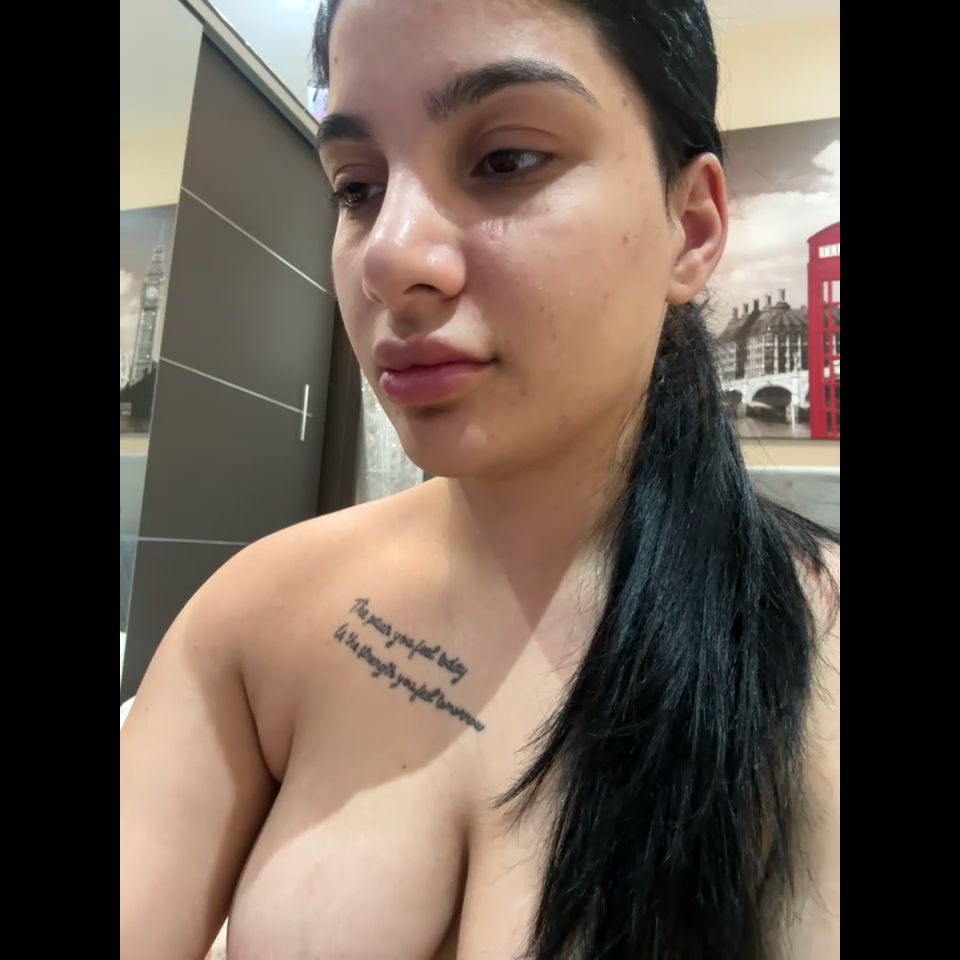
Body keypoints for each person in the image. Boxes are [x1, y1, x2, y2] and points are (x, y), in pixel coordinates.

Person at [120, 1, 840, 957]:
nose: (388, 257)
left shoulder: (817, 661)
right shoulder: (255, 619)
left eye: (507, 160)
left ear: (691, 226)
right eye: (357, 188)